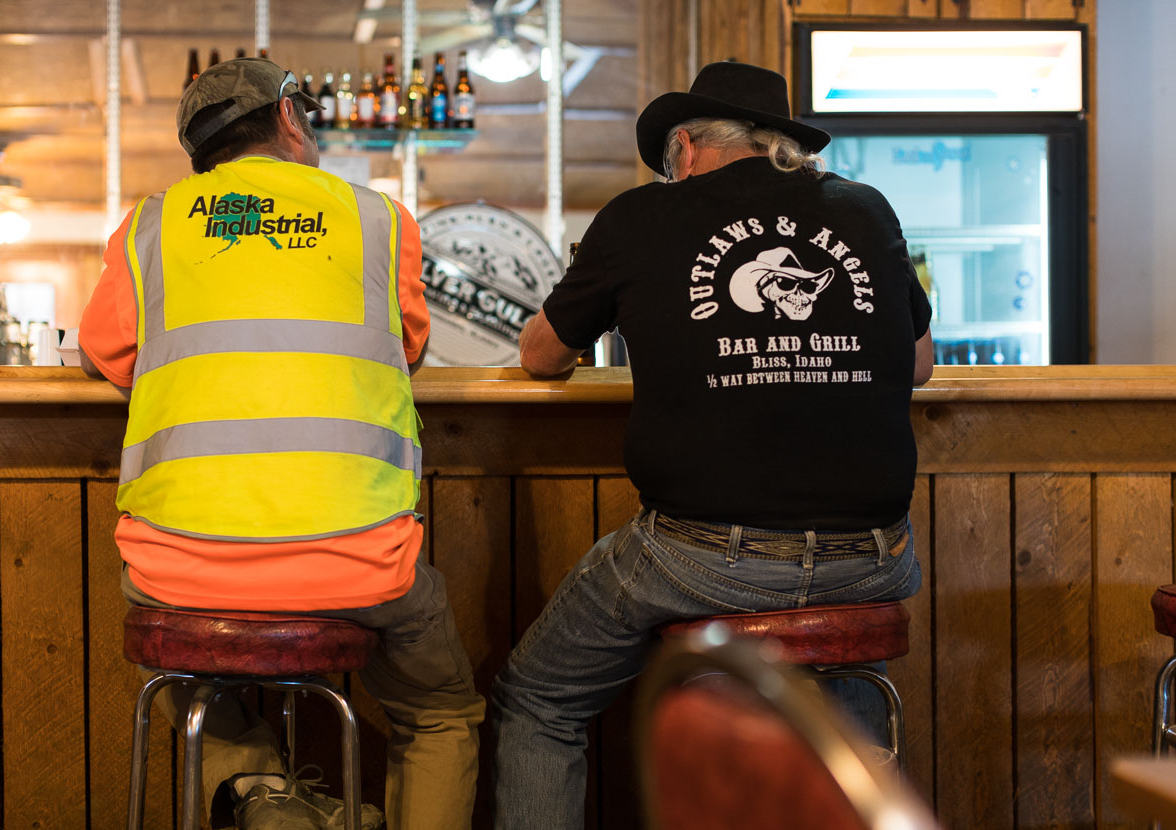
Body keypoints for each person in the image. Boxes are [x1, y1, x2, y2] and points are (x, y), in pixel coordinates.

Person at [491, 61, 935, 829]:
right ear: (778, 145)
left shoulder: (641, 217)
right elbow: (922, 362)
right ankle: (850, 791)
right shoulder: (866, 209)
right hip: (872, 556)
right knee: (834, 692)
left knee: (537, 696)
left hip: (700, 556)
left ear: (685, 148)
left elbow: (540, 355)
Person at [78, 57, 485, 830]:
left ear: (200, 154)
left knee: (189, 669)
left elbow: (111, 354)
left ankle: (262, 794)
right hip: (360, 561)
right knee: (439, 714)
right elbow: (407, 344)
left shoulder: (152, 223)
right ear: (292, 119)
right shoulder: (377, 218)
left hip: (176, 566)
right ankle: (281, 802)